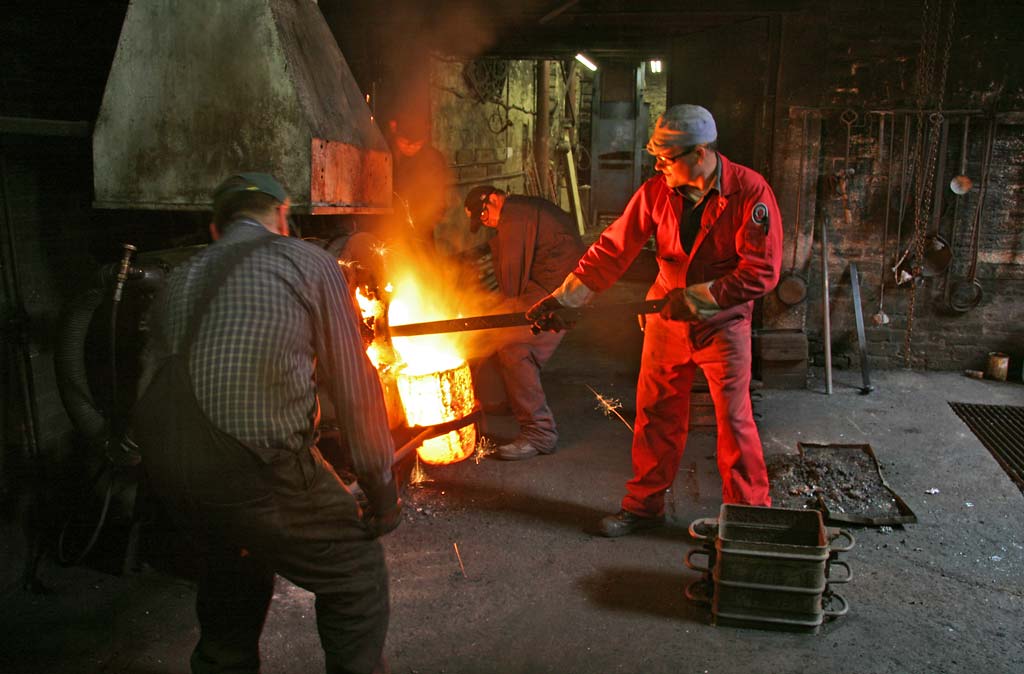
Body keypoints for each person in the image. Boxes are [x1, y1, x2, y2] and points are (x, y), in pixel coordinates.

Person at [131, 173, 400, 674]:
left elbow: (147, 376)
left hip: (168, 469)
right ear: (282, 216)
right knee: (355, 573)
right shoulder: (308, 260)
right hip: (253, 465)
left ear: (217, 228)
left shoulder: (180, 276)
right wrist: (381, 488)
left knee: (235, 561)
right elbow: (354, 383)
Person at [528, 105, 783, 536]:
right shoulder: (655, 193)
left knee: (735, 422)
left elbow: (762, 269)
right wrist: (566, 299)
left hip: (722, 321)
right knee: (655, 415)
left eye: (667, 158)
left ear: (699, 154)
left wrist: (704, 298)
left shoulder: (749, 193)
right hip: (666, 316)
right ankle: (644, 507)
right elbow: (613, 250)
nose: (658, 166)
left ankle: (751, 516)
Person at [463, 185, 585, 460]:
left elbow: (512, 282)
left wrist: (497, 315)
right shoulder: (524, 209)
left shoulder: (514, 215)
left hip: (561, 291)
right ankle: (499, 400)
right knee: (499, 330)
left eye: (484, 217)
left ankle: (539, 433)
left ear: (493, 199)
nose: (487, 223)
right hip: (558, 283)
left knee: (514, 348)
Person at [387, 112, 452, 251]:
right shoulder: (384, 156)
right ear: (393, 128)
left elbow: (439, 201)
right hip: (389, 233)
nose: (410, 147)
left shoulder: (433, 161)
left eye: (417, 144)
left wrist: (425, 221)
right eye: (405, 142)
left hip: (421, 234)